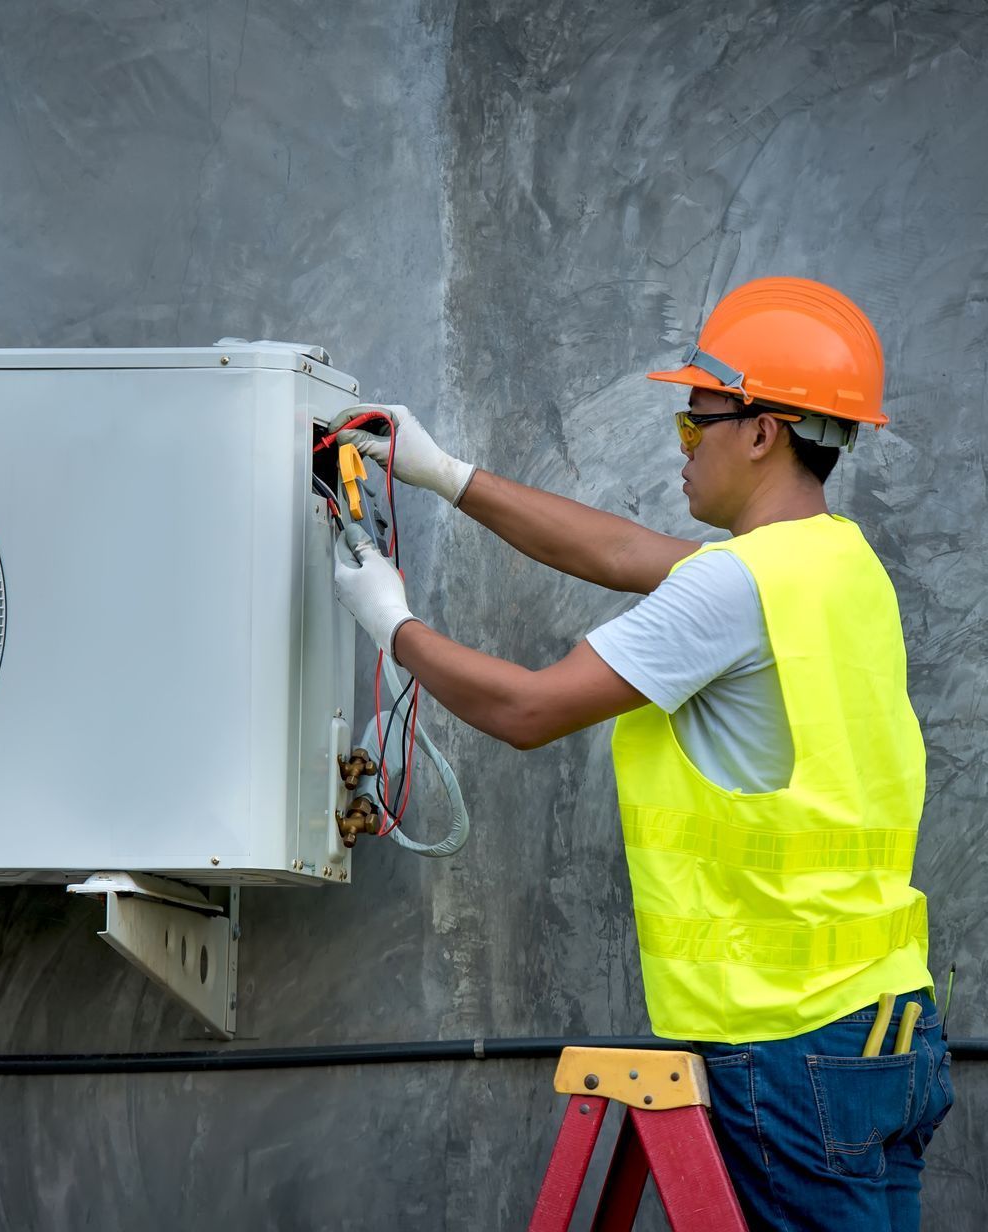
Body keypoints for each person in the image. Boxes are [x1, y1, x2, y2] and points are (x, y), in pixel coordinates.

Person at [328, 276, 953, 1231]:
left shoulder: (732, 591)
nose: (684, 448)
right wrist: (443, 473)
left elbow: (529, 710)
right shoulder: (832, 560)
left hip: (784, 1044)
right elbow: (622, 552)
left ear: (763, 430)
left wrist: (391, 624)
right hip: (884, 1031)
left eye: (694, 423)